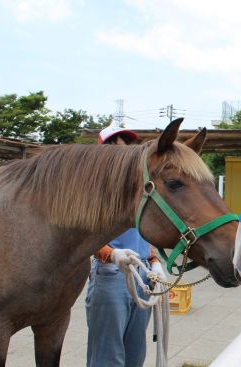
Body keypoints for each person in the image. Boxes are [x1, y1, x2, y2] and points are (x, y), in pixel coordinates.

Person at [86, 125, 167, 367]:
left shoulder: (138, 188)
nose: (122, 148)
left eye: (124, 144)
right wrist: (111, 254)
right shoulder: (93, 190)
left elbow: (143, 234)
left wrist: (154, 261)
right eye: (115, 144)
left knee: (135, 355)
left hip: (143, 274)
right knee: (108, 357)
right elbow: (85, 236)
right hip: (112, 274)